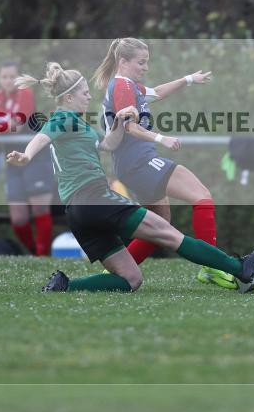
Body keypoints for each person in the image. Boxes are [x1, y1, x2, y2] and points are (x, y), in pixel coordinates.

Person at [5, 62, 254, 293]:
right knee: (168, 233)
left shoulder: (80, 125)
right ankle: (240, 267)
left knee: (131, 279)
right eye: (84, 93)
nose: (89, 96)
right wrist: (26, 157)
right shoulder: (62, 118)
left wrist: (119, 122)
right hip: (95, 198)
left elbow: (108, 145)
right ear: (69, 97)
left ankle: (65, 287)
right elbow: (41, 137)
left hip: (77, 211)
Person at [91, 37, 234, 289]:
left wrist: (188, 79)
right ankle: (212, 266)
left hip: (132, 164)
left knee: (159, 224)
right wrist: (161, 138)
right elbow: (129, 126)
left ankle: (111, 275)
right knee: (201, 197)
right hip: (140, 161)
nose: (145, 67)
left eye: (147, 62)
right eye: (141, 62)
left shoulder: (129, 85)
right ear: (123, 62)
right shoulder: (122, 86)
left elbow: (156, 93)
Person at [0, 61, 56, 256]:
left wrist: (2, 125)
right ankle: (36, 253)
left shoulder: (26, 93)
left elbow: (18, 123)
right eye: (5, 77)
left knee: (40, 209)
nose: (9, 81)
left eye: (13, 77)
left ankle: (43, 256)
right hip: (13, 160)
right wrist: (3, 125)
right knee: (18, 218)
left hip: (37, 157)